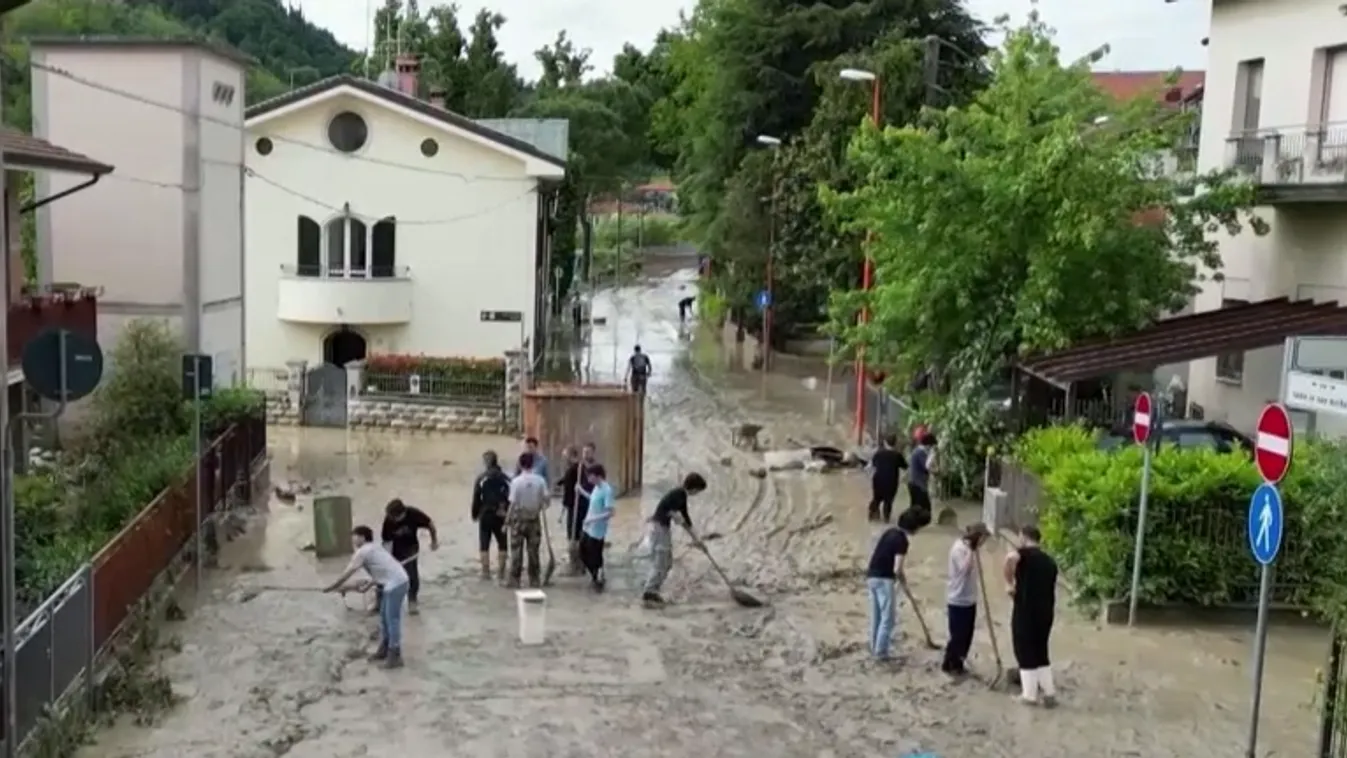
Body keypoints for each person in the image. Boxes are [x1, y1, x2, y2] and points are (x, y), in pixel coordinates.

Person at [324, 526, 409, 668]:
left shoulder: (363, 551)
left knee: (392, 619)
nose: (353, 539)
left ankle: (395, 656)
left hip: (396, 584)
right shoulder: (375, 548)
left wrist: (334, 586)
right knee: (383, 617)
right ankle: (384, 650)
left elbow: (349, 571)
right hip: (393, 582)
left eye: (355, 536)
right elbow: (382, 570)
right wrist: (368, 585)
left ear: (363, 537)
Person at [1004, 525, 1059, 707]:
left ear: (1023, 537)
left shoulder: (1024, 555)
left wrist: (1009, 584)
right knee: (1041, 651)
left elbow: (1010, 558)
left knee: (1024, 650)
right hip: (1046, 613)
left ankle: (1029, 695)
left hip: (1026, 611)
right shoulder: (1050, 562)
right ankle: (1049, 693)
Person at [865, 508, 923, 661]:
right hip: (885, 579)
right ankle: (881, 653)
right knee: (888, 618)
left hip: (871, 576)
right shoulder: (902, 541)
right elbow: (897, 568)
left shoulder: (889, 532)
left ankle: (874, 646)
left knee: (876, 615)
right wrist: (903, 579)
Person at [642, 472, 708, 607]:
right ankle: (649, 592)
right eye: (698, 491)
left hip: (660, 528)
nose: (697, 494)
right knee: (662, 561)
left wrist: (697, 539)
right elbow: (678, 517)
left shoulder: (680, 495)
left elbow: (685, 519)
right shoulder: (679, 495)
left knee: (667, 562)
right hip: (659, 529)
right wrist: (695, 539)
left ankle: (653, 590)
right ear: (694, 488)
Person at [943, 522, 991, 677]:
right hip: (957, 599)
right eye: (983, 539)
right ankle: (949, 663)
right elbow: (965, 570)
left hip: (970, 599)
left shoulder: (972, 550)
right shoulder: (959, 549)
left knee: (967, 634)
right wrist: (972, 550)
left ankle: (959, 662)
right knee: (958, 635)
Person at [379, 499, 437, 615]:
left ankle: (412, 601)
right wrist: (387, 558)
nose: (393, 520)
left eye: (395, 517)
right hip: (394, 548)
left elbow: (430, 524)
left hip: (411, 547)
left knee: (411, 574)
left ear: (403, 513)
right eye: (391, 517)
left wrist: (434, 541)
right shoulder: (388, 520)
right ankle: (379, 601)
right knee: (385, 575)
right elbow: (386, 541)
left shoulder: (413, 514)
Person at [506, 451, 550, 588]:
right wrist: (540, 506)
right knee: (533, 551)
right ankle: (534, 579)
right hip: (534, 518)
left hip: (519, 519)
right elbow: (547, 501)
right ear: (532, 464)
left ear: (520, 464)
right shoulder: (540, 480)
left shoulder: (516, 482)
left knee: (516, 551)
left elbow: (512, 504)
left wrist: (506, 521)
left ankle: (515, 580)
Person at [472, 450, 512, 582]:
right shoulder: (505, 478)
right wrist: (507, 512)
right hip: (501, 514)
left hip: (485, 514)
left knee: (484, 543)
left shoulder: (481, 478)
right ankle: (501, 572)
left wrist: (474, 513)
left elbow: (476, 497)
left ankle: (485, 572)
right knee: (502, 543)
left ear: (486, 463)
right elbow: (510, 497)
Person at [580, 464, 614, 591]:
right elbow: (593, 500)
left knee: (595, 555)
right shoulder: (596, 488)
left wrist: (593, 519)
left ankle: (598, 578)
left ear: (598, 476)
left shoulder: (607, 490)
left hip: (598, 530)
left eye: (590, 476)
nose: (588, 478)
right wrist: (582, 492)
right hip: (588, 527)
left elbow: (611, 512)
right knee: (582, 552)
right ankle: (596, 575)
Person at [571, 442, 598, 574]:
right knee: (575, 534)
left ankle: (590, 563)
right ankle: (576, 564)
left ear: (593, 453)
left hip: (592, 506)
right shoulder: (577, 468)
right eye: (584, 452)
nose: (586, 454)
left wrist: (581, 490)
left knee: (589, 535)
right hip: (578, 506)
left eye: (588, 452)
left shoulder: (597, 469)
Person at [868, 434, 908, 523]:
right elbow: (905, 467)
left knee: (876, 498)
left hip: (878, 479)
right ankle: (886, 518)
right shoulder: (897, 455)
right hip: (891, 481)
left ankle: (872, 514)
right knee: (888, 500)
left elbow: (872, 466)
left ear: (885, 443)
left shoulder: (879, 453)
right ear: (895, 444)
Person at [907, 433, 937, 526]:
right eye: (932, 446)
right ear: (929, 445)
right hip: (918, 484)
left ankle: (913, 524)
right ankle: (916, 524)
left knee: (916, 505)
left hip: (915, 483)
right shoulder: (920, 453)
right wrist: (936, 471)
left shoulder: (917, 451)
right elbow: (926, 467)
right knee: (924, 506)